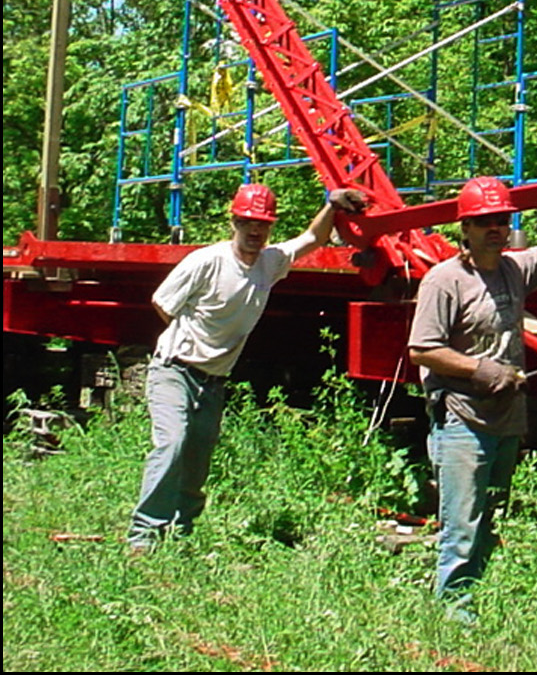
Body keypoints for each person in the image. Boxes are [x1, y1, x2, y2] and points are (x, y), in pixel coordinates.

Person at [408, 165, 537, 611]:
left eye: (501, 221)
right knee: (461, 522)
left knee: (489, 515)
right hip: (462, 420)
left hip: (505, 418)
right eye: (484, 222)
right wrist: (481, 369)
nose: (495, 229)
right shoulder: (444, 281)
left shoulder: (514, 270)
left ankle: (476, 595)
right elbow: (422, 350)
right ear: (464, 228)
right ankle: (453, 609)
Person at [128, 182, 368, 550]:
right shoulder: (207, 261)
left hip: (214, 380)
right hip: (174, 370)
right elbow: (163, 303)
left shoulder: (269, 264)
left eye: (263, 224)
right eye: (248, 223)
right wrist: (194, 342)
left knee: (198, 457)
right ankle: (143, 536)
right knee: (172, 444)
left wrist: (332, 205)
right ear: (234, 222)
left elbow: (312, 238)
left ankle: (181, 534)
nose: (255, 231)